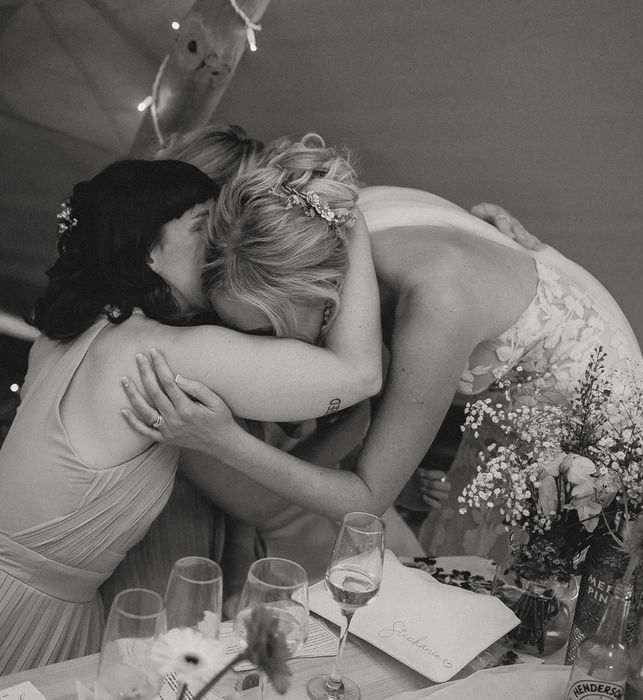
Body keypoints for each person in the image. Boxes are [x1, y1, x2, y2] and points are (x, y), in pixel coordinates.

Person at [120, 133, 643, 567]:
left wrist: (219, 441)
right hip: (529, 371)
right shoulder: (336, 221)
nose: (264, 352)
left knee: (521, 598)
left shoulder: (434, 306)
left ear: (317, 294)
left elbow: (367, 500)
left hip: (586, 439)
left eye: (266, 332)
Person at [0, 155, 383, 673]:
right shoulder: (162, 352)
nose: (225, 247)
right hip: (29, 610)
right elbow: (358, 375)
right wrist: (348, 222)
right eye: (207, 228)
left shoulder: (67, 335)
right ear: (149, 250)